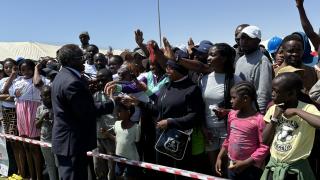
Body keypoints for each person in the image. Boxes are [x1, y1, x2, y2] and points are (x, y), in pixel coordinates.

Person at [123, 59, 205, 180]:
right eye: (166, 67)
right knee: (163, 172)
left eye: (170, 68)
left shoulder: (192, 89)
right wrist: (138, 103)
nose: (166, 71)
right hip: (161, 138)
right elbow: (158, 110)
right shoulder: (167, 86)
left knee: (179, 174)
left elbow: (195, 116)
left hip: (179, 141)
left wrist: (170, 122)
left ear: (180, 70)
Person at [51, 44, 115, 180]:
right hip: (72, 144)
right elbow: (86, 112)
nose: (85, 61)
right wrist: (112, 103)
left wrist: (86, 91)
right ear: (70, 61)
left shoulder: (62, 76)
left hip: (68, 142)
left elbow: (73, 104)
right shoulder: (71, 82)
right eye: (81, 58)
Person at [261, 72, 320, 180]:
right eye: (272, 90)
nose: (272, 94)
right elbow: (264, 140)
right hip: (274, 167)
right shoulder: (274, 109)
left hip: (296, 170)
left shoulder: (307, 109)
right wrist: (274, 118)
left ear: (291, 94)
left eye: (277, 91)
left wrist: (296, 111)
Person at [216, 81, 269, 179]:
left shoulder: (259, 120)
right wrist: (219, 156)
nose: (231, 101)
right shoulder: (232, 115)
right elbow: (229, 138)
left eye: (234, 98)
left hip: (251, 168)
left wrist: (245, 163)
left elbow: (264, 147)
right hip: (232, 165)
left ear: (245, 99)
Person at [13, 59, 44, 180]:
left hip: (33, 110)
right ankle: (31, 175)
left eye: (29, 69)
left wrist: (37, 69)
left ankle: (39, 176)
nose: (26, 72)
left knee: (35, 146)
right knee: (26, 145)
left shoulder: (39, 79)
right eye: (23, 70)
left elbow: (38, 83)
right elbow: (9, 92)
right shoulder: (18, 81)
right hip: (21, 110)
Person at [235, 25, 273, 113]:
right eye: (242, 38)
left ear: (258, 41)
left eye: (249, 38)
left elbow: (264, 92)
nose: (244, 41)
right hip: (241, 110)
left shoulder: (262, 61)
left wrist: (260, 113)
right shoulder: (240, 60)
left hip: (253, 112)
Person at [0, 58, 25, 179]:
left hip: (16, 111)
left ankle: (22, 171)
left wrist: (10, 97)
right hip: (5, 112)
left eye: (11, 67)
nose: (9, 70)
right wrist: (13, 96)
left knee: (18, 142)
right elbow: (2, 94)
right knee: (11, 142)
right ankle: (17, 170)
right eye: (6, 67)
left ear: (16, 67)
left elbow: (20, 97)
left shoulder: (21, 79)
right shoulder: (3, 80)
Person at [103, 102, 141, 180]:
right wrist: (107, 134)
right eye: (117, 111)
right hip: (119, 158)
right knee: (118, 175)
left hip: (131, 160)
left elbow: (138, 144)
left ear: (128, 112)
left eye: (120, 111)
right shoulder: (116, 124)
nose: (117, 113)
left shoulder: (136, 127)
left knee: (128, 177)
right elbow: (118, 139)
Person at [92, 68, 116, 180]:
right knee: (98, 168)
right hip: (97, 138)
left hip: (112, 138)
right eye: (99, 80)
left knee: (112, 170)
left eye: (104, 80)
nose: (101, 83)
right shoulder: (95, 95)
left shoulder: (118, 95)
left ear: (111, 79)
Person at [35, 85, 58, 180]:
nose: (48, 97)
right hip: (45, 141)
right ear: (41, 96)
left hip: (57, 141)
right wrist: (42, 117)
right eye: (45, 95)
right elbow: (36, 125)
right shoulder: (40, 108)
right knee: (50, 165)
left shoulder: (57, 107)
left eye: (50, 95)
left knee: (59, 165)